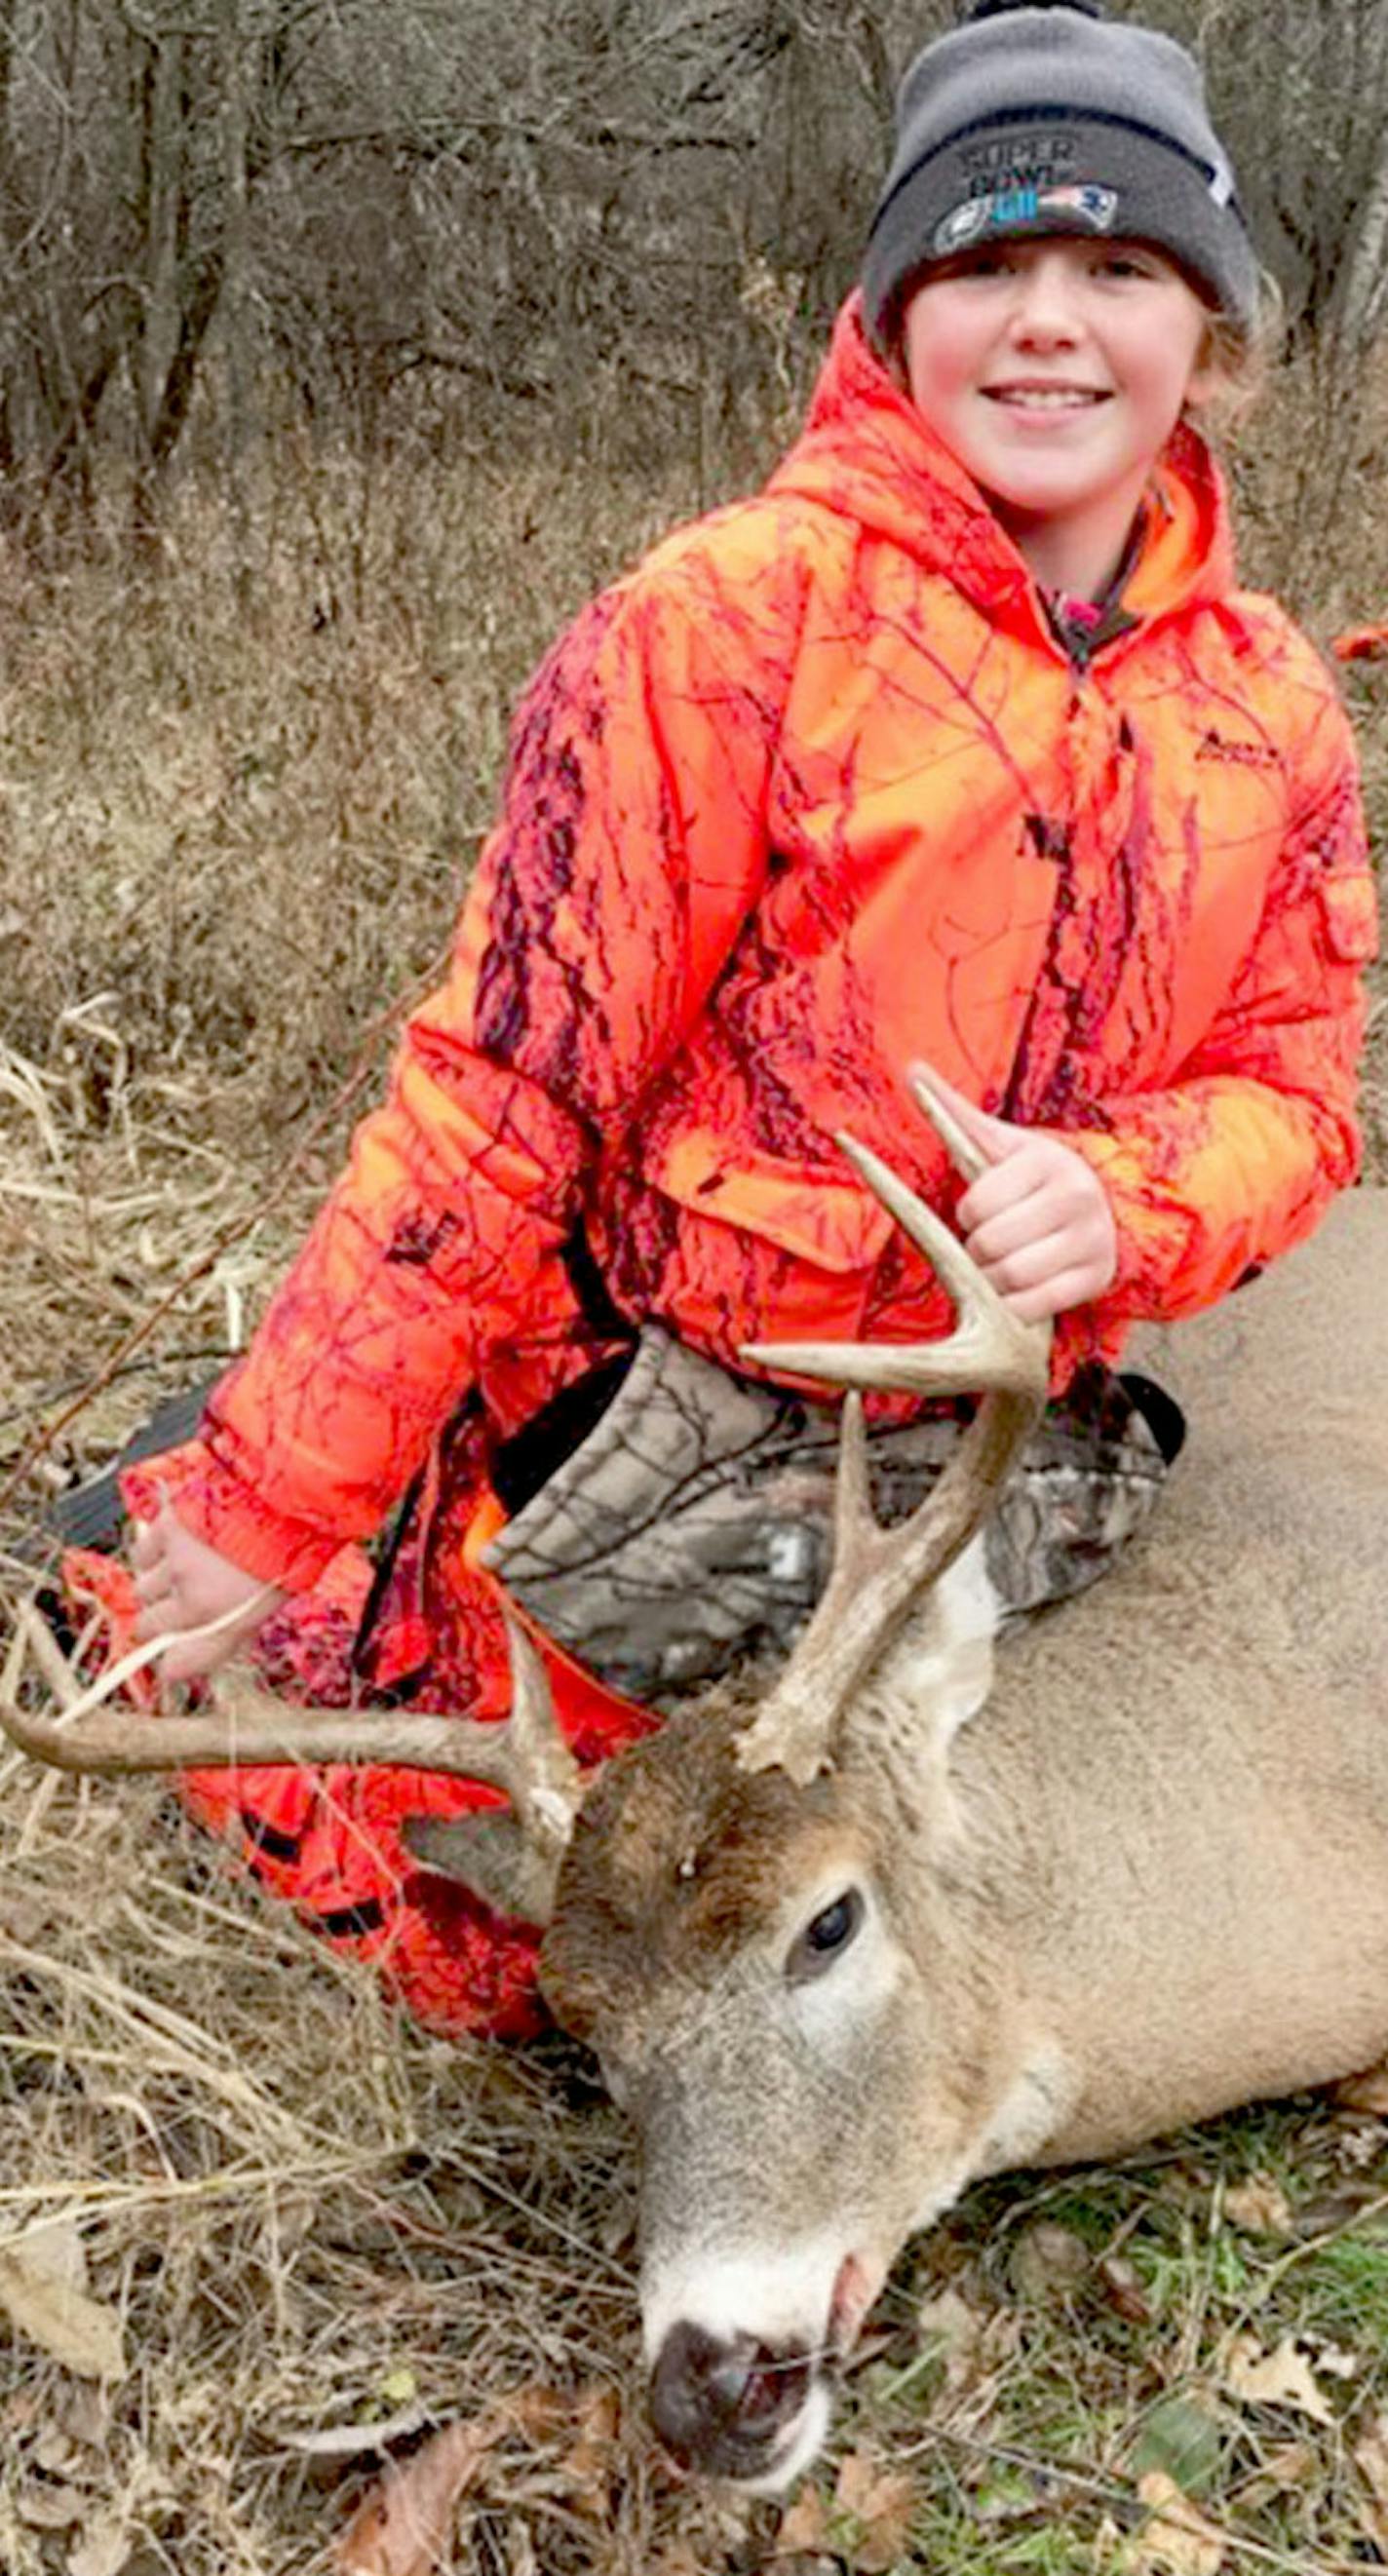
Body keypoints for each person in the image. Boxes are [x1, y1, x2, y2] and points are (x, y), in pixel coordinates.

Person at [76, 0, 1375, 2034]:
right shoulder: (722, 630)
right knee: (559, 1945)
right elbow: (503, 1093)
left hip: (1003, 1438)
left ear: (1205, 331)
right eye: (985, 261)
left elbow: (1293, 1091)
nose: (1049, 322)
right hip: (673, 1402)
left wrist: (1126, 1195)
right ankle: (195, 1511)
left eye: (1118, 266)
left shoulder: (1269, 705)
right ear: (889, 314)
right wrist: (267, 1503)